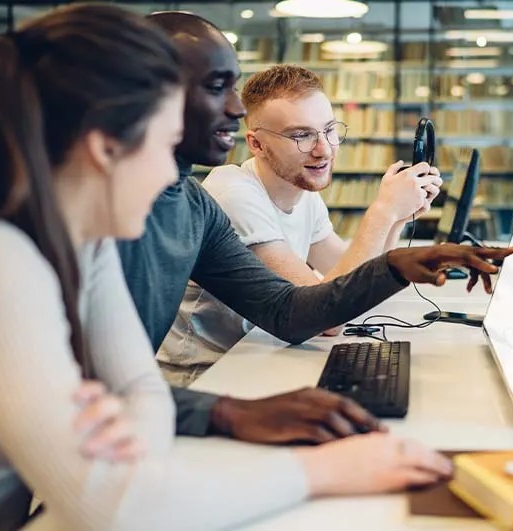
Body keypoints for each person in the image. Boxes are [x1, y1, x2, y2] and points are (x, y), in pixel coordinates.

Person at [0, 5, 471, 529]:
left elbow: (142, 395)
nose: (172, 179)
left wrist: (132, 427)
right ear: (105, 148)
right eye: (163, 147)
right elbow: (109, 501)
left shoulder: (91, 241)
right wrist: (328, 471)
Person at [118, 10, 513, 443]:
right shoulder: (201, 196)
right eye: (217, 88)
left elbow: (292, 310)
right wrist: (381, 216)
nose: (234, 110)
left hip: (192, 395)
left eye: (328, 130)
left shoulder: (193, 205)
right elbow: (92, 387)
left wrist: (399, 251)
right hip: (183, 394)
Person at [159, 64, 444, 381]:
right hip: (205, 374)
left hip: (261, 355)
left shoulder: (302, 191)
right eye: (301, 135)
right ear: (256, 144)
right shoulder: (233, 192)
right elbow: (324, 317)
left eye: (329, 130)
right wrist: (382, 212)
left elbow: (360, 285)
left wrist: (400, 216)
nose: (323, 150)